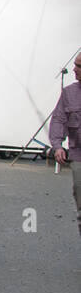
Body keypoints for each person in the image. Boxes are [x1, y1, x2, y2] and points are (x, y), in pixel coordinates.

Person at [48, 51, 81, 237]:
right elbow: (58, 119)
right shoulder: (69, 93)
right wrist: (58, 146)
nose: (74, 69)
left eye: (79, 66)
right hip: (79, 157)